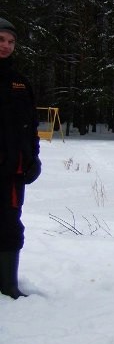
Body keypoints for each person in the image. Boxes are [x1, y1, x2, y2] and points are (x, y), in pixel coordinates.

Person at [0, 17, 41, 299]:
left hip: (13, 172)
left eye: (11, 41)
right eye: (1, 40)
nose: (6, 46)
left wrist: (33, 158)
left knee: (10, 225)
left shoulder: (20, 83)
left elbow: (30, 127)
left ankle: (8, 285)